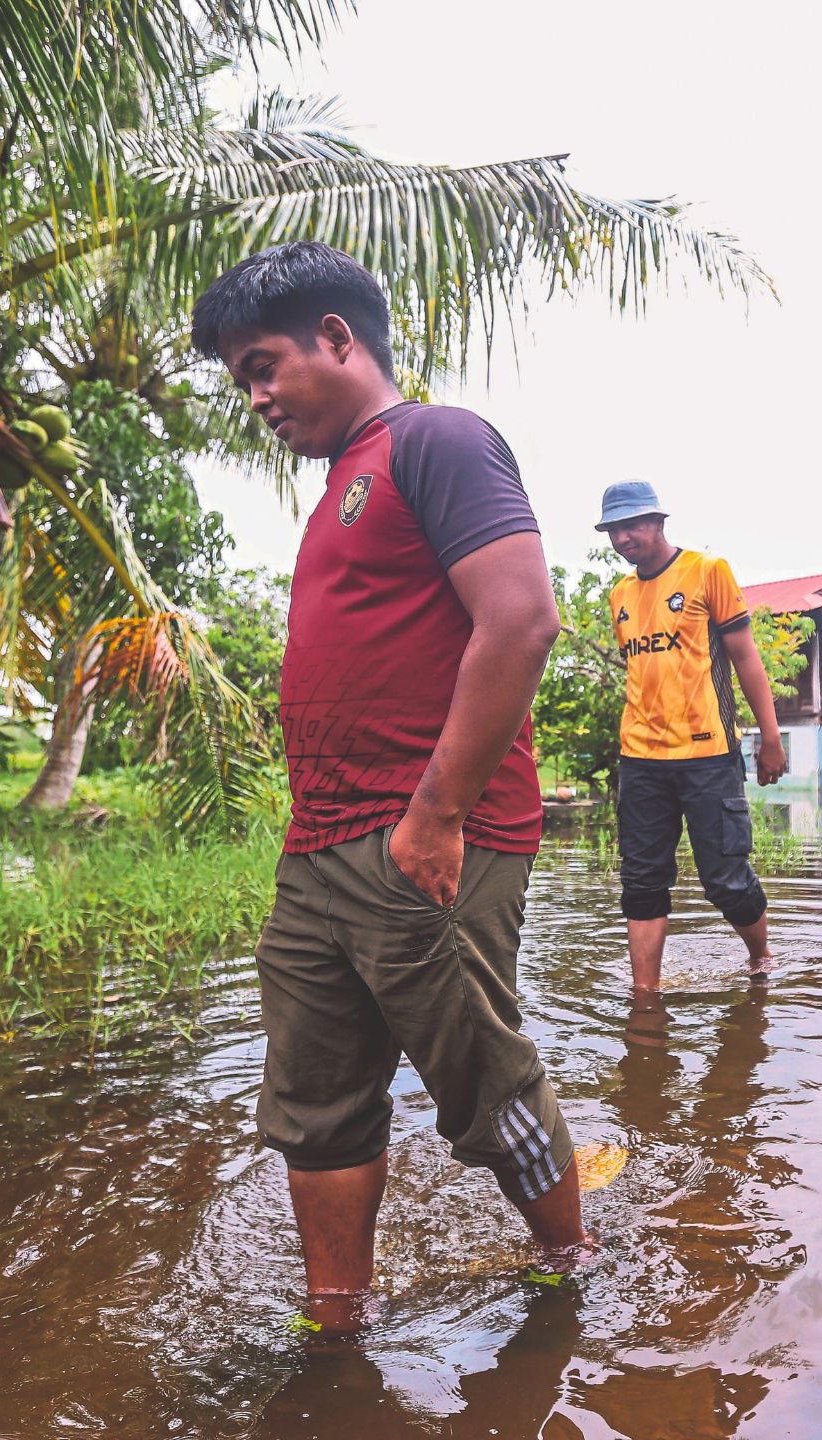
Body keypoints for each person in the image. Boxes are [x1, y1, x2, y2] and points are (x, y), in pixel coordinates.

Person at [191, 241, 583, 1331]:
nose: (257, 397)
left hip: (424, 839)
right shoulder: (336, 490)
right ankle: (336, 1321)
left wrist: (435, 814)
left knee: (482, 1077)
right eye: (241, 382)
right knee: (314, 1107)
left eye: (264, 365)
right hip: (318, 852)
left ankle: (575, 1268)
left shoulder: (437, 440)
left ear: (337, 337)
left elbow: (522, 621)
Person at [598, 482, 787, 992]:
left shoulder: (707, 571)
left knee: (724, 879)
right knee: (641, 881)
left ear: (659, 523)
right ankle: (646, 994)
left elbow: (746, 657)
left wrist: (769, 737)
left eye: (632, 524)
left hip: (708, 755)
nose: (622, 537)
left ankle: (760, 956)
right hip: (639, 759)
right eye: (614, 528)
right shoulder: (620, 595)